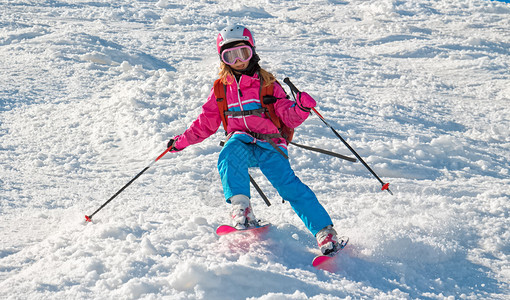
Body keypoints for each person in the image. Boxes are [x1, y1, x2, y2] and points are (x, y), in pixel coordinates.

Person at [168, 24, 341, 255]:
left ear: (252, 52)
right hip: (241, 143)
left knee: (289, 186)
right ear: (223, 60)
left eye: (243, 53)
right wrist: (180, 142)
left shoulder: (268, 84)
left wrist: (300, 108)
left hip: (270, 145)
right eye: (230, 56)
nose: (238, 61)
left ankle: (324, 232)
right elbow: (206, 123)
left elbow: (287, 114)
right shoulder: (221, 89)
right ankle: (242, 210)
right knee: (229, 153)